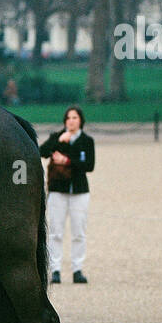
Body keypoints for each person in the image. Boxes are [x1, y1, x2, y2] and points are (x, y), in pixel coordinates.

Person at [39, 106, 95, 284]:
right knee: (56, 232)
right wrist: (60, 142)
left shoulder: (87, 140)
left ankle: (77, 269)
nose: (71, 121)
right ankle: (55, 269)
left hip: (79, 191)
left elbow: (89, 165)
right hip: (58, 191)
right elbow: (42, 151)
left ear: (81, 121)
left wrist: (67, 161)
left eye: (75, 118)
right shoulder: (57, 137)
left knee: (79, 232)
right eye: (68, 118)